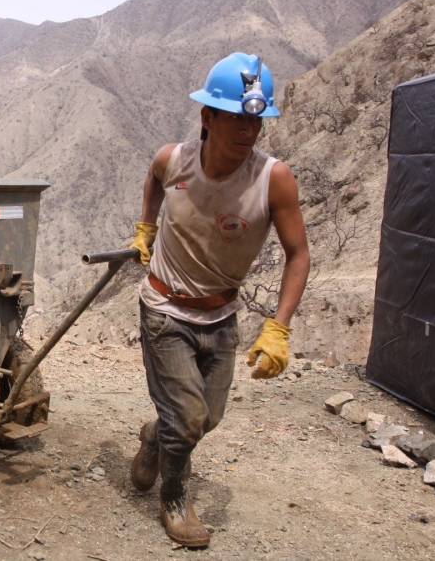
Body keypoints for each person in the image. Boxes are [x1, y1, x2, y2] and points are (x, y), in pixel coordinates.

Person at [128, 53, 310, 548]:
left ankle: (156, 437)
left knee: (205, 419)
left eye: (256, 120)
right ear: (207, 116)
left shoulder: (274, 179)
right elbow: (153, 178)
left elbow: (298, 255)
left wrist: (279, 326)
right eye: (236, 117)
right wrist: (146, 226)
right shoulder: (174, 160)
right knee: (187, 419)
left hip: (221, 315)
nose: (248, 130)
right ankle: (174, 500)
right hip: (165, 309)